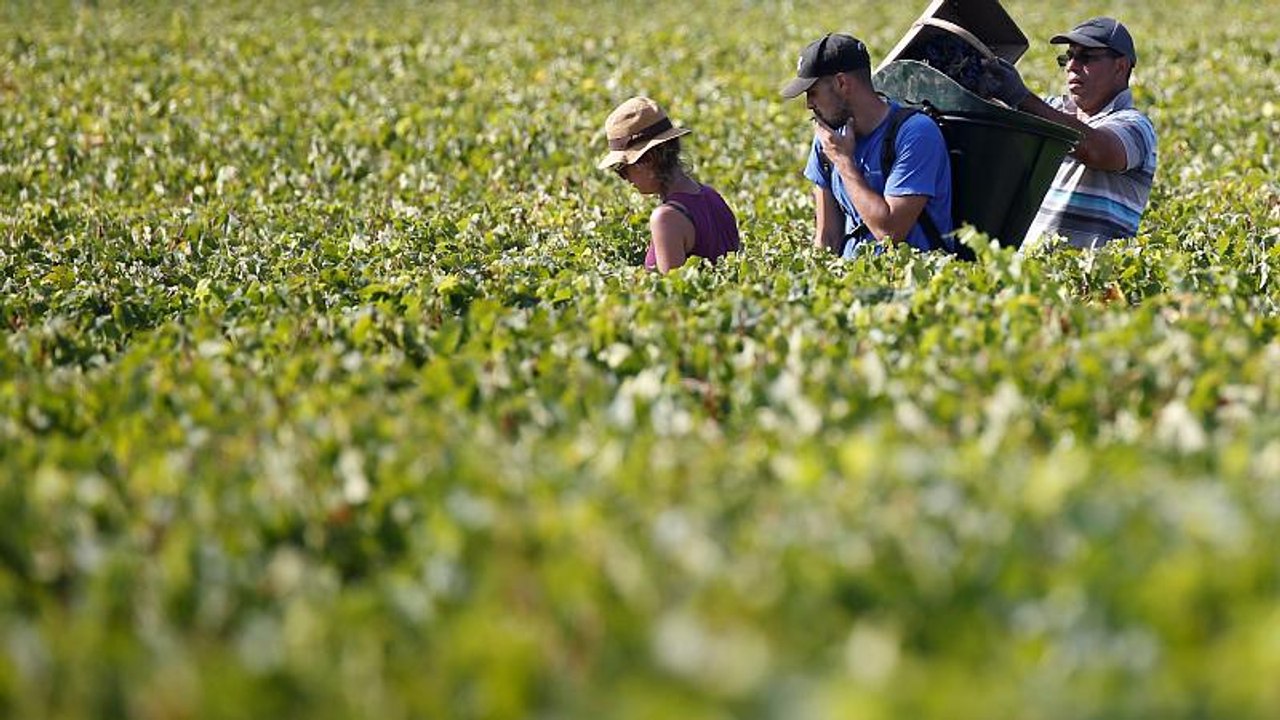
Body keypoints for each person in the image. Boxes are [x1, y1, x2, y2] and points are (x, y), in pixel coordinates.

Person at [984, 17, 1158, 249]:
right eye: (1069, 56)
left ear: (1121, 66)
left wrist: (1023, 98)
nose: (1071, 66)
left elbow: (1097, 150)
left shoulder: (1136, 126)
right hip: (1030, 274)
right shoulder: (1054, 109)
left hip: (1088, 280)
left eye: (1086, 57)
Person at [780, 33, 955, 258]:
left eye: (812, 92)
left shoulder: (916, 133)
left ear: (841, 83)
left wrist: (844, 162)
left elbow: (889, 233)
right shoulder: (828, 138)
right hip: (849, 282)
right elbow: (827, 238)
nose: (808, 105)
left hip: (910, 282)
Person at [597, 96, 740, 273]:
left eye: (622, 168)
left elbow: (673, 296)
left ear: (647, 160)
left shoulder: (665, 218)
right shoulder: (712, 195)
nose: (625, 178)